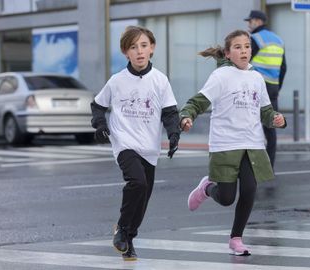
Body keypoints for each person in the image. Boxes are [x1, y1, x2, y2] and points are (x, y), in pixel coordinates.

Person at [180, 30, 286, 256]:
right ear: (228, 53)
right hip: (225, 145)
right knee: (227, 198)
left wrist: (276, 118)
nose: (244, 51)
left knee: (249, 190)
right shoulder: (221, 76)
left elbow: (265, 110)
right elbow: (198, 101)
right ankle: (207, 188)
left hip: (252, 144)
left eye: (247, 46)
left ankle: (236, 239)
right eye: (237, 47)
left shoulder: (257, 77)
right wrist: (187, 116)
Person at [90, 25, 180, 261]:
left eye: (143, 45)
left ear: (152, 48)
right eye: (133, 47)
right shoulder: (117, 81)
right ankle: (122, 229)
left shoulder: (160, 80)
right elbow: (98, 106)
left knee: (144, 197)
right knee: (137, 183)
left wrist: (173, 135)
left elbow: (170, 112)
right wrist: (100, 125)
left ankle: (128, 238)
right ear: (125, 52)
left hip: (149, 147)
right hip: (124, 142)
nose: (139, 51)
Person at [245, 10, 287, 168]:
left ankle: (250, 165)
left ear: (257, 21)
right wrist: (277, 88)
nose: (249, 25)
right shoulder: (279, 40)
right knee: (271, 126)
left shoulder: (255, 38)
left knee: (249, 124)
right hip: (273, 87)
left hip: (255, 87)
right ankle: (269, 166)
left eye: (250, 21)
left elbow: (244, 61)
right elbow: (283, 68)